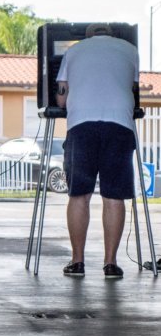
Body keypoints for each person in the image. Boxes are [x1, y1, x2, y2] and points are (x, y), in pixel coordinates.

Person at [56, 23, 138, 279]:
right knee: (114, 196)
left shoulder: (74, 51)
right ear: (111, 34)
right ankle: (111, 264)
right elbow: (132, 89)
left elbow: (61, 97)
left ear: (88, 35)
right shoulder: (130, 49)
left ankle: (77, 262)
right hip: (120, 125)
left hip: (82, 124)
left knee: (79, 194)